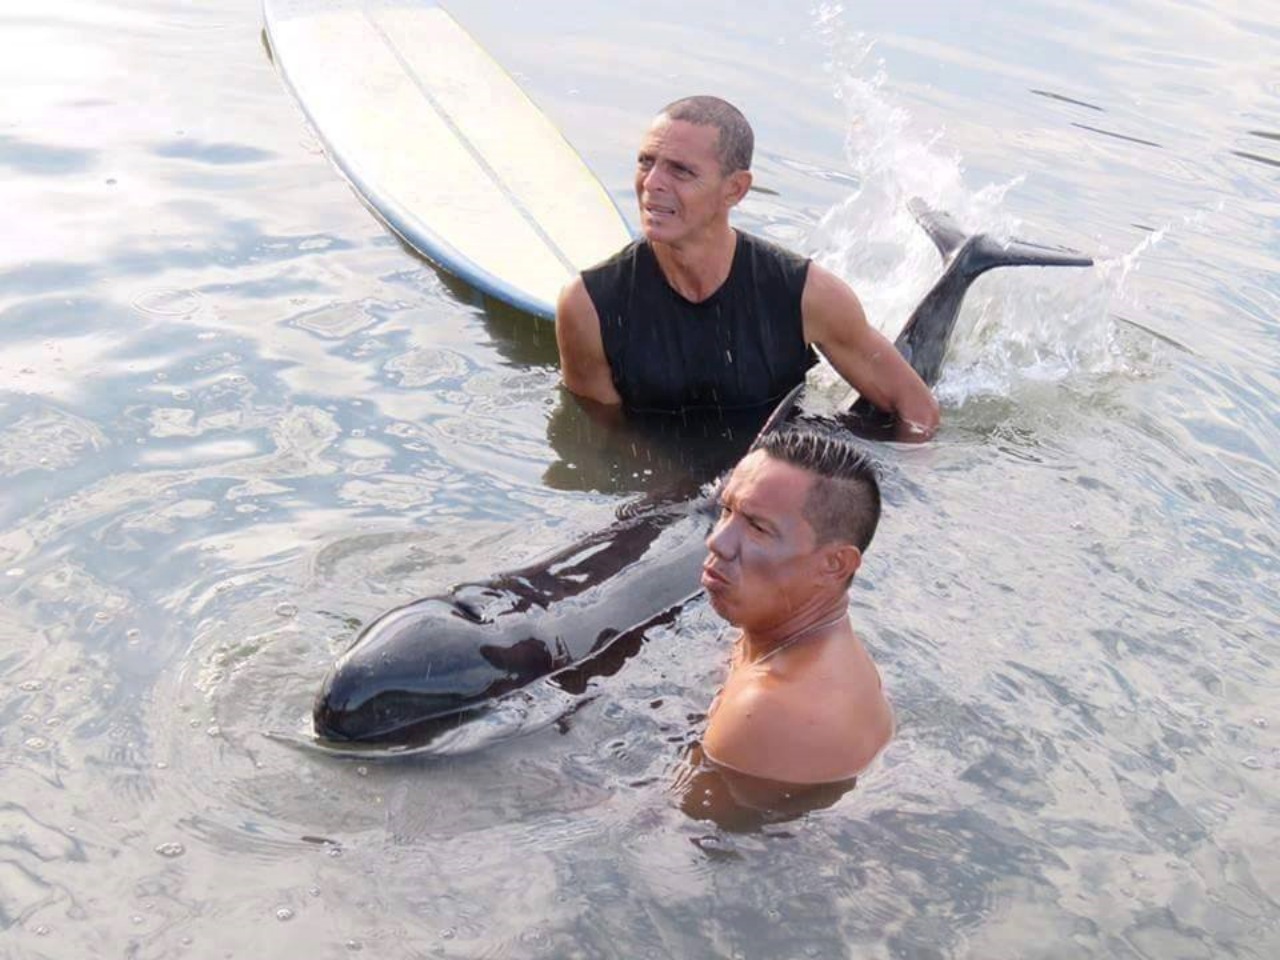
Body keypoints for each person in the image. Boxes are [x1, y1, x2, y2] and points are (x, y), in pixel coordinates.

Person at [555, 95, 939, 440]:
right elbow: (601, 439)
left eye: (680, 171)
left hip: (777, 466)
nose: (651, 183)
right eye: (646, 162)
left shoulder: (808, 295)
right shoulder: (588, 307)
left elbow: (917, 411)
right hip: (681, 482)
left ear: (735, 189)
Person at [696, 423, 893, 786]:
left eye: (757, 527)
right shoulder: (795, 638)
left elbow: (666, 835)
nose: (717, 541)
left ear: (834, 565)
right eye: (726, 510)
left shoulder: (771, 711)